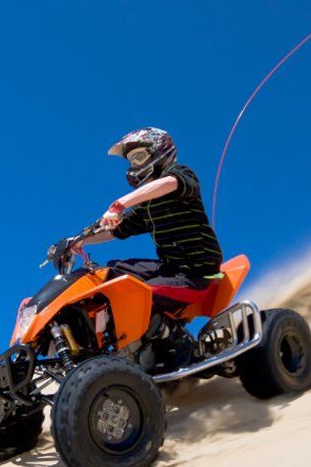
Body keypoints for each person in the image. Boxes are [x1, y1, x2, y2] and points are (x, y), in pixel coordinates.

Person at [75, 127, 225, 364]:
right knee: (110, 273)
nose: (134, 165)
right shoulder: (146, 207)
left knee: (138, 296)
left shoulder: (179, 174)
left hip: (195, 273)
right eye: (131, 160)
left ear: (159, 152)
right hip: (169, 268)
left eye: (138, 157)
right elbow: (114, 231)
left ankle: (180, 342)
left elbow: (171, 183)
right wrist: (77, 242)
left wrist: (120, 204)